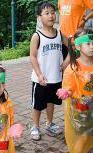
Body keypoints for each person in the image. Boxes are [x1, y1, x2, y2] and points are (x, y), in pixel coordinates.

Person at [29, 2, 69, 140]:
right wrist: (39, 74)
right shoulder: (37, 36)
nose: (51, 16)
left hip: (55, 77)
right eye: (46, 13)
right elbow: (32, 57)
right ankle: (35, 126)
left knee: (51, 102)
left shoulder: (59, 34)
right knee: (38, 104)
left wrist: (65, 62)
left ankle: (50, 124)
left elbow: (72, 48)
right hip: (40, 78)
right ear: (39, 17)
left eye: (53, 12)